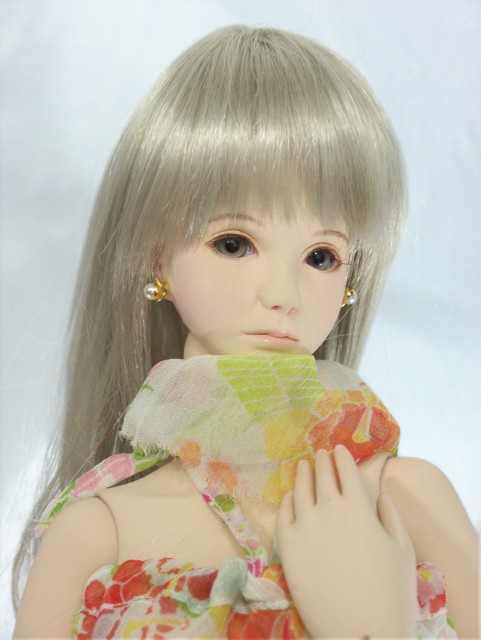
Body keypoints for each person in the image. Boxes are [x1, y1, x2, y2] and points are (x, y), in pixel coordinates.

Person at [13, 25, 478, 638]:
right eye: (234, 244)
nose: (284, 294)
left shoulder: (409, 496)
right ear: (156, 258)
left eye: (321, 256)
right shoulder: (96, 531)